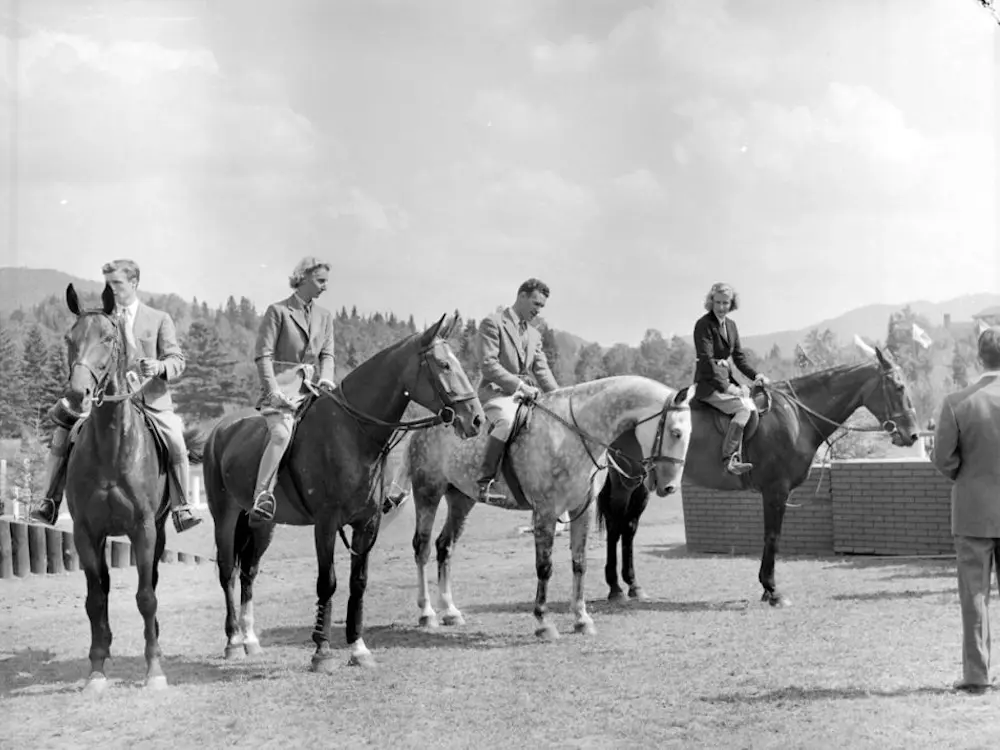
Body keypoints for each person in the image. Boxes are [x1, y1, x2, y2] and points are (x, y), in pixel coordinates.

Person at [31, 258, 202, 532]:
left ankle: (182, 507)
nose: (112, 289)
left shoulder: (159, 319)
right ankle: (48, 500)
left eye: (117, 284)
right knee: (61, 433)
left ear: (134, 283)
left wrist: (159, 366)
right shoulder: (100, 319)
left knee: (176, 440)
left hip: (151, 402)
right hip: (102, 401)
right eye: (108, 284)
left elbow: (177, 360)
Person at [931, 326, 1000, 694]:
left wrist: (966, 474)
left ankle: (977, 675)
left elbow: (941, 457)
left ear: (979, 358)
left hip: (972, 512)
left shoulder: (956, 402)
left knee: (975, 597)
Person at [249, 256, 336, 523]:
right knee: (281, 435)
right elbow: (263, 356)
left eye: (326, 282)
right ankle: (262, 494)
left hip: (313, 388)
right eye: (320, 281)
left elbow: (327, 355)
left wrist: (326, 378)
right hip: (282, 386)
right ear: (303, 277)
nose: (325, 287)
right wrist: (273, 390)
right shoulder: (277, 311)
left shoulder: (325, 316)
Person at [476, 278, 559, 508]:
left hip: (526, 395)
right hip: (496, 394)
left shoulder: (534, 334)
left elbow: (542, 371)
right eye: (535, 303)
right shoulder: (492, 323)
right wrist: (519, 386)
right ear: (521, 296)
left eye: (542, 306)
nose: (538, 310)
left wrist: (561, 397)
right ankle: (486, 481)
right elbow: (488, 365)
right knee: (506, 421)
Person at [692, 282, 769, 475]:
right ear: (711, 302)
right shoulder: (703, 325)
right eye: (717, 302)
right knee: (742, 409)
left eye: (725, 303)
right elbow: (707, 361)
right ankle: (730, 459)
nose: (721, 307)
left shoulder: (731, 326)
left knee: (753, 404)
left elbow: (739, 358)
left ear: (731, 304)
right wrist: (728, 387)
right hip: (708, 385)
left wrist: (756, 375)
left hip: (724, 380)